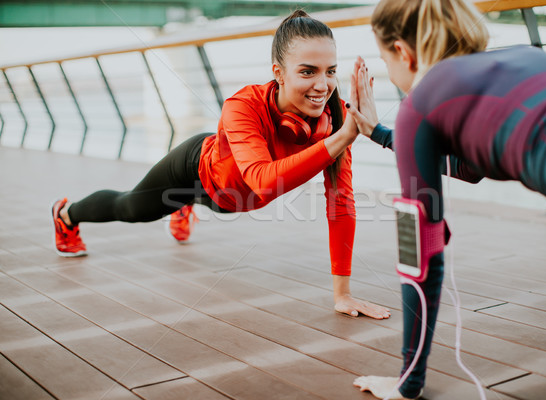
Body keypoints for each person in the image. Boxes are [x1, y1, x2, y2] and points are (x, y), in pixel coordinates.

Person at [51, 10, 391, 321]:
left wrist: (342, 295)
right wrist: (341, 139)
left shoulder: (337, 120)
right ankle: (66, 213)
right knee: (130, 207)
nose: (322, 85)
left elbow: (340, 202)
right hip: (195, 170)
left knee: (222, 203)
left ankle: (185, 206)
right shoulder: (243, 105)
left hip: (231, 199)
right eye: (307, 71)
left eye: (330, 71)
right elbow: (262, 181)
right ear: (279, 73)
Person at [349, 0, 546, 398]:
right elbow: (471, 166)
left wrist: (408, 383)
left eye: (385, 59)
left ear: (402, 51)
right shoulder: (521, 56)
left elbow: (420, 255)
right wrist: (378, 132)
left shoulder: (420, 103)